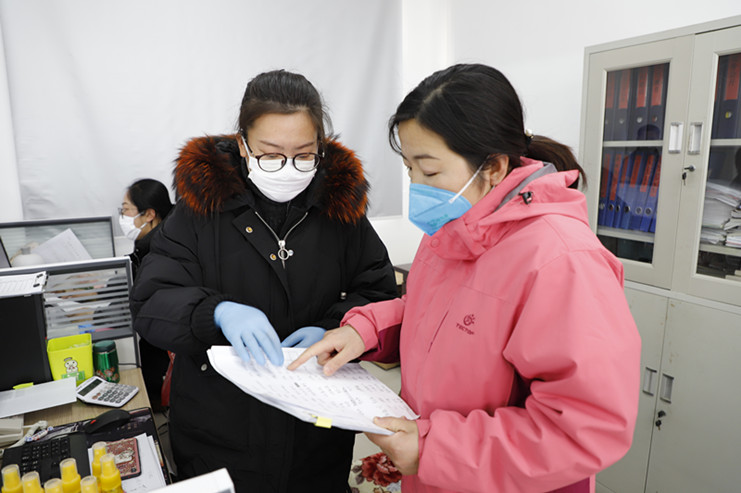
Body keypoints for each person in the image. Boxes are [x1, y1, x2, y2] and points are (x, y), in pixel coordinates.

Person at [289, 64, 642, 493]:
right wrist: (365, 331)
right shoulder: (452, 229)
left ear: (492, 167)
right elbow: (437, 316)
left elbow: (583, 428)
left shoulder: (562, 261)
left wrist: (435, 449)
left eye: (430, 171)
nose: (416, 185)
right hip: (437, 476)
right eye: (409, 168)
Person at [130, 70, 398, 492]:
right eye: (271, 155)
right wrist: (215, 312)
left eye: (304, 155)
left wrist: (337, 327)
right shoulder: (200, 211)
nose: (288, 168)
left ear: (321, 147)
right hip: (219, 433)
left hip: (315, 433)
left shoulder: (340, 211)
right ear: (243, 145)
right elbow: (151, 302)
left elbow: (379, 293)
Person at [118, 178, 174, 410]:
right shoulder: (152, 239)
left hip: (160, 351)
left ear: (149, 214)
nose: (122, 217)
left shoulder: (161, 247)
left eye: (126, 210)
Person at [119, 178, 174, 275]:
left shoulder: (164, 254)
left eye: (126, 209)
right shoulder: (148, 246)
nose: (123, 215)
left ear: (149, 215)